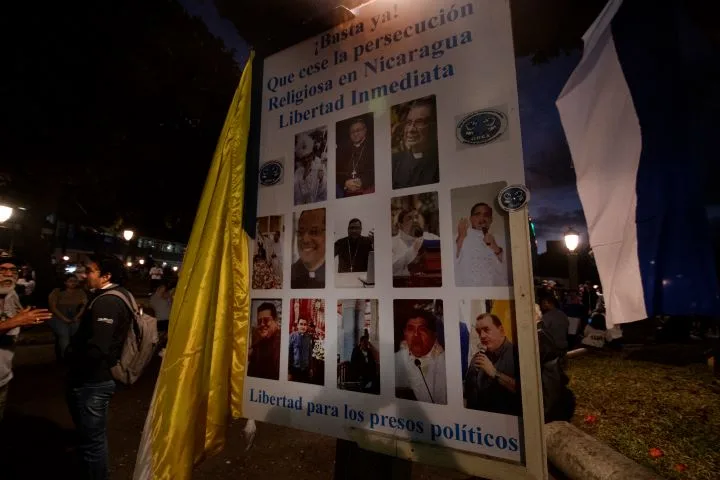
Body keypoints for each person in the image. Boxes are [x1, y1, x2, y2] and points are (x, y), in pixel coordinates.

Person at [65, 253, 134, 479]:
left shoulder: (107, 302)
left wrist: (76, 364)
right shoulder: (117, 295)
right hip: (97, 377)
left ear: (106, 276)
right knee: (92, 438)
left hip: (94, 380)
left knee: (93, 442)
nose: (85, 275)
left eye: (90, 271)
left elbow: (99, 347)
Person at [0, 252, 52, 422]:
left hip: (3, 377)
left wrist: (26, 321)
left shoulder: (11, 295)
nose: (9, 274)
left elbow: (14, 320)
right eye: (2, 269)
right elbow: (12, 322)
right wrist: (16, 321)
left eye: (13, 270)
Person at [464, 313, 520, 415]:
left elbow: (527, 392)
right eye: (479, 332)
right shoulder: (477, 357)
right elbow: (468, 393)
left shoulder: (518, 355)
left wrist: (495, 373)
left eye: (486, 330)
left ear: (501, 330)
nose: (482, 336)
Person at [395, 310, 447, 404]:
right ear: (405, 333)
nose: (416, 334)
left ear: (433, 334)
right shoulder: (396, 359)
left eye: (422, 329)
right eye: (411, 329)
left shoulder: (444, 361)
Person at [454, 203, 509, 286]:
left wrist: (495, 247)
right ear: (471, 219)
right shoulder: (460, 236)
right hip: (468, 289)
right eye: (477, 214)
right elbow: (452, 262)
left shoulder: (500, 239)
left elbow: (508, 269)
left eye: (486, 215)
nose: (482, 218)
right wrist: (461, 237)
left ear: (491, 219)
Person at [391, 97, 439, 189]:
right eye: (408, 123)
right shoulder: (394, 162)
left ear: (434, 126)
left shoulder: (440, 163)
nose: (411, 130)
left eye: (419, 122)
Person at [48, 274, 88, 360]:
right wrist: (64, 319)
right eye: (70, 281)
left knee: (75, 335)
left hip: (75, 316)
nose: (73, 283)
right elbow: (53, 307)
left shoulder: (80, 292)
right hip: (59, 317)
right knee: (64, 335)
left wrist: (77, 316)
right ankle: (66, 356)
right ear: (65, 282)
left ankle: (75, 355)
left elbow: (84, 306)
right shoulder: (57, 291)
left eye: (75, 281)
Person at [391, 209, 439, 278]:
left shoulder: (432, 237)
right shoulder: (392, 243)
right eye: (409, 218)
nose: (415, 221)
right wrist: (413, 250)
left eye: (416, 217)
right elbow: (392, 268)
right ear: (400, 225)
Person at [336, 117, 374, 197]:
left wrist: (362, 181)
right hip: (347, 193)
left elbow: (376, 170)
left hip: (368, 192)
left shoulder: (373, 146)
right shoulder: (343, 149)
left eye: (358, 130)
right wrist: (345, 182)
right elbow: (337, 173)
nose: (355, 134)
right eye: (352, 132)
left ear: (365, 130)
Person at [291, 209, 326, 288]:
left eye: (314, 232)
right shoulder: (289, 274)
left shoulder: (335, 273)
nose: (305, 240)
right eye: (300, 232)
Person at [248, 302, 281, 380]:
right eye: (259, 321)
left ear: (275, 321)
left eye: (266, 320)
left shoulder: (283, 344)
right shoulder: (256, 347)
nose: (262, 324)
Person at [294, 132, 327, 205]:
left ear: (312, 155)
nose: (306, 160)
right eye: (303, 158)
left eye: (308, 156)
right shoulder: (298, 172)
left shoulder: (320, 168)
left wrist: (321, 180)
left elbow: (325, 193)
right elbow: (296, 196)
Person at [288, 318, 314, 383]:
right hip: (295, 369)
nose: (303, 326)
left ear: (307, 326)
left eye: (305, 324)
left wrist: (311, 368)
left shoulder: (308, 337)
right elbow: (289, 354)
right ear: (297, 325)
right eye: (301, 324)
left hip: (306, 369)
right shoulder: (292, 336)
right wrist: (289, 371)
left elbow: (310, 354)